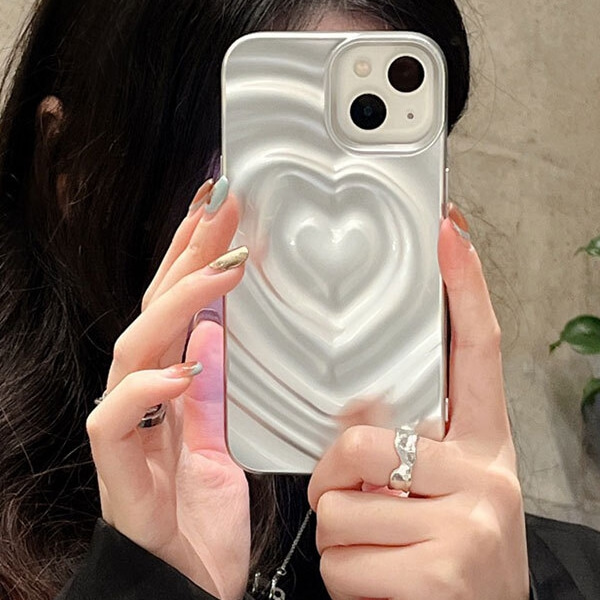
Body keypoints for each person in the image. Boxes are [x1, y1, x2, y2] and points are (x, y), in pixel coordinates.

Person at [0, 1, 598, 599]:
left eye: (378, 165)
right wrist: (145, 581)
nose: (334, 233)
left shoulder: (543, 567)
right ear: (69, 171)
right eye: (264, 150)